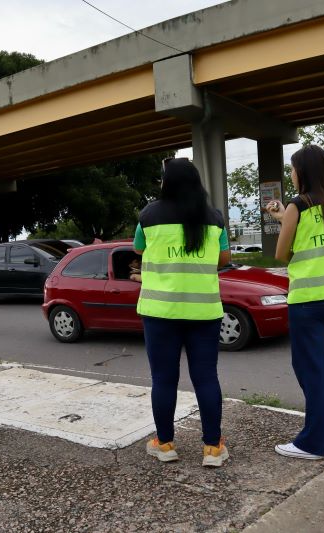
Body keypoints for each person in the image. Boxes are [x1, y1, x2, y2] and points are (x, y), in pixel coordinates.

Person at [133, 157, 231, 468]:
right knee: (206, 378)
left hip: (160, 312)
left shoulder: (149, 216)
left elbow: (138, 249)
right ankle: (213, 448)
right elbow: (224, 258)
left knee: (163, 379)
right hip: (204, 311)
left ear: (167, 182)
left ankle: (164, 444)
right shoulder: (214, 219)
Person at [265, 144, 324, 460]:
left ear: (302, 171)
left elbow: (281, 253)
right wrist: (282, 217)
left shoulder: (297, 205)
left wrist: (283, 217)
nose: (291, 173)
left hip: (308, 299)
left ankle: (311, 443)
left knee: (310, 368)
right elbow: (317, 243)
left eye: (292, 168)